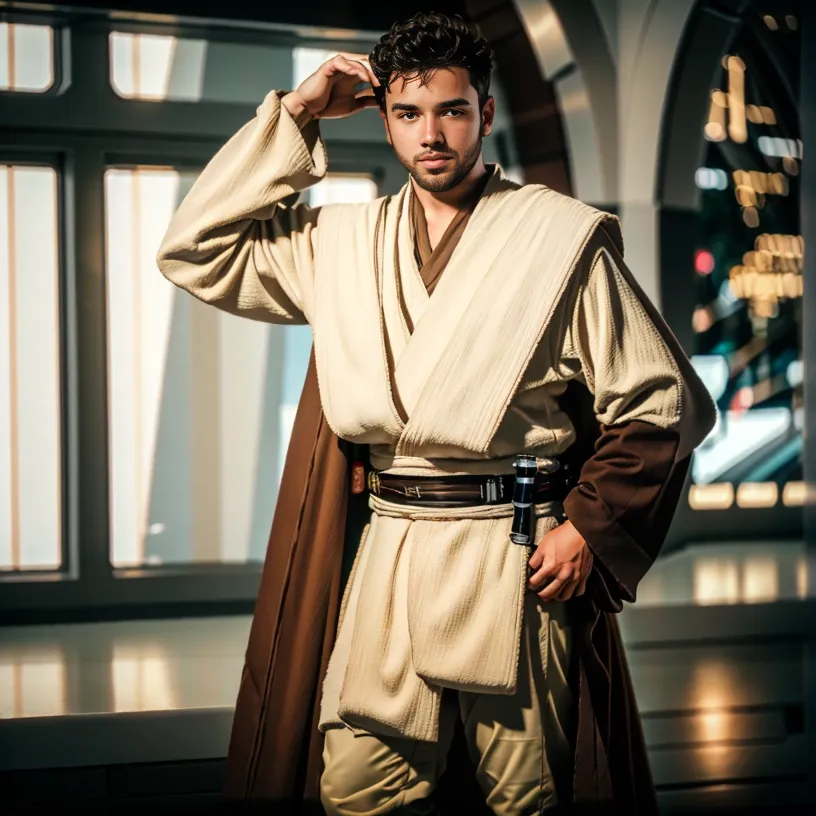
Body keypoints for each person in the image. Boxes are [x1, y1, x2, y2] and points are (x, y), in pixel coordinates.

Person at [156, 12, 716, 816]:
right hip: (387, 552)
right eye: (410, 113)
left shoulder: (557, 239)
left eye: (452, 111)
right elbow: (193, 249)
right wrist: (299, 113)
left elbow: (661, 399)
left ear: (485, 114)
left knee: (531, 799)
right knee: (355, 792)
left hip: (513, 553)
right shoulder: (338, 244)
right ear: (383, 120)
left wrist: (588, 527)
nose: (432, 135)